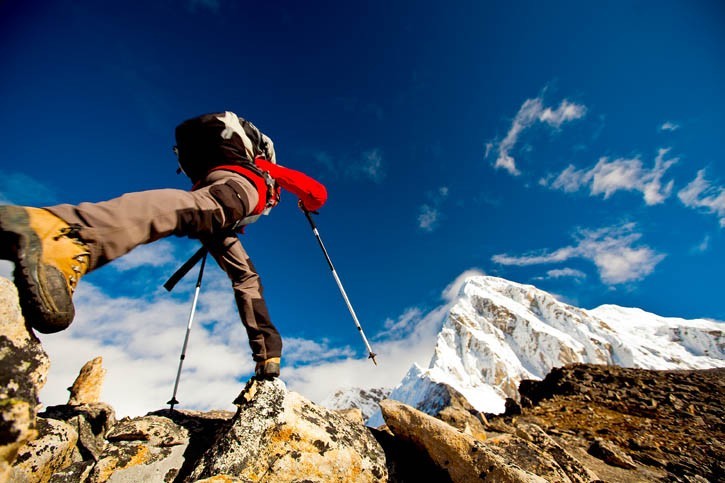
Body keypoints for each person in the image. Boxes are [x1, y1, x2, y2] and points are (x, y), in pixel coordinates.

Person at [0, 111, 327, 379]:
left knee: (245, 276)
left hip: (221, 209)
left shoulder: (222, 167)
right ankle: (69, 233)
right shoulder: (262, 169)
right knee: (202, 211)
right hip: (236, 191)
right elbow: (316, 191)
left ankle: (268, 357)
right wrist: (307, 204)